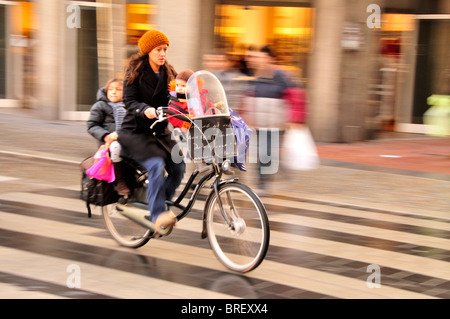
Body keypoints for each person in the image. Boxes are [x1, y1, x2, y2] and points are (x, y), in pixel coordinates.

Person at [118, 29, 185, 233]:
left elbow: (176, 99)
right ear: (148, 51)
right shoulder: (135, 71)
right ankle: (156, 216)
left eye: (165, 49)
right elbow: (128, 101)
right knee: (156, 165)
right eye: (158, 49)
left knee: (179, 166)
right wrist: (144, 109)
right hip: (136, 132)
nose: (163, 53)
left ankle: (160, 203)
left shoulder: (169, 72)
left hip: (160, 132)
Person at [246, 45, 291, 194]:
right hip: (260, 122)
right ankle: (263, 182)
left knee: (267, 152)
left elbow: (291, 95)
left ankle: (266, 179)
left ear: (271, 59)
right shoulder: (257, 75)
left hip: (276, 123)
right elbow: (251, 95)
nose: (261, 60)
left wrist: (290, 119)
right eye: (260, 57)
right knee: (262, 152)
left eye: (263, 57)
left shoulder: (281, 76)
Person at [87, 78, 130, 196]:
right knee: (116, 147)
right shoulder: (100, 105)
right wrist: (105, 135)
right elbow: (92, 125)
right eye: (110, 89)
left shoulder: (128, 105)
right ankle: (120, 181)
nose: (113, 92)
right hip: (110, 143)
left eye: (118, 89)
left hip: (128, 139)